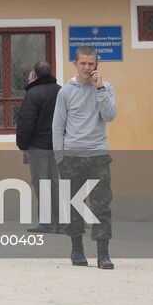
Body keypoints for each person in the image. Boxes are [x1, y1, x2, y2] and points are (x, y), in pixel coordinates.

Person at [53, 45, 117, 270]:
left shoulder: (106, 88)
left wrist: (100, 89)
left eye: (91, 64)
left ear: (96, 65)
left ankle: (103, 254)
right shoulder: (65, 92)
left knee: (101, 205)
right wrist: (60, 157)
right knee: (74, 205)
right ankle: (77, 250)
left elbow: (110, 115)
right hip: (71, 157)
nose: (87, 68)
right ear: (75, 64)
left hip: (98, 154)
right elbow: (57, 126)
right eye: (83, 63)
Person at [15, 61, 62, 233]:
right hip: (57, 146)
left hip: (38, 147)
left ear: (34, 74)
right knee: (55, 183)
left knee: (41, 183)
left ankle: (46, 223)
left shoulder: (33, 93)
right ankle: (61, 224)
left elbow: (27, 121)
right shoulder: (60, 91)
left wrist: (22, 144)